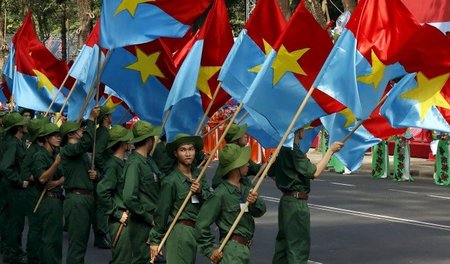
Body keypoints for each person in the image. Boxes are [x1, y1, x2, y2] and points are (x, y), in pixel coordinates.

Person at [270, 127, 343, 264]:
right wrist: (330, 151)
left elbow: (273, 173)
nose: (305, 130)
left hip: (286, 201)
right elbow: (314, 172)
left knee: (283, 246)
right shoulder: (293, 150)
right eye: (303, 128)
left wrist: (288, 181)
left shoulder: (283, 150)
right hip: (296, 203)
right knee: (298, 247)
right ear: (298, 131)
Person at [196, 144, 266, 264]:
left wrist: (254, 201)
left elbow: (260, 211)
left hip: (245, 250)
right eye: (245, 162)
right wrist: (210, 250)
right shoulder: (220, 194)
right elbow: (201, 225)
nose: (248, 164)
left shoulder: (245, 187)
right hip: (231, 252)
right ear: (236, 167)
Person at [150, 133, 212, 264]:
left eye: (191, 149)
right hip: (179, 233)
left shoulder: (198, 175)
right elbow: (162, 212)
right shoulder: (171, 181)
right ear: (175, 153)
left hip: (196, 232)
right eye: (183, 150)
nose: (188, 153)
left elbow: (211, 201)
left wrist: (200, 191)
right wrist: (155, 240)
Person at [60, 107, 99, 264]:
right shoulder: (69, 149)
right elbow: (86, 142)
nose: (82, 130)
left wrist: (96, 175)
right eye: (79, 129)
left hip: (86, 198)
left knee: (81, 242)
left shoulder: (81, 153)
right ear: (70, 135)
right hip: (76, 200)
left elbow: (91, 173)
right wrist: (90, 119)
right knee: (77, 245)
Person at [122, 120, 163, 264]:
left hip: (154, 219)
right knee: (142, 259)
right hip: (142, 223)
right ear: (148, 140)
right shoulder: (134, 163)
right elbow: (129, 198)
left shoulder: (149, 160)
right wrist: (147, 217)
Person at [97, 125, 133, 263]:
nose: (130, 142)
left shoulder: (123, 162)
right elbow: (102, 190)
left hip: (128, 218)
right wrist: (117, 213)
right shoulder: (113, 165)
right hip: (120, 220)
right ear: (122, 143)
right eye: (127, 140)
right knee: (121, 259)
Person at [32, 123, 64, 264]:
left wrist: (57, 182)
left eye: (59, 135)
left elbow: (64, 176)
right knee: (49, 240)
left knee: (57, 240)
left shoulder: (56, 154)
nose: (58, 138)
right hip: (46, 200)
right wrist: (55, 164)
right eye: (54, 136)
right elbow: (42, 178)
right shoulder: (40, 155)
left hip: (57, 199)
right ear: (46, 138)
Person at [0, 112, 29, 264]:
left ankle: (8, 250)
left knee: (7, 220)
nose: (26, 124)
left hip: (8, 186)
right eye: (23, 123)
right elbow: (5, 167)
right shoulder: (13, 143)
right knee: (15, 222)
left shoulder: (15, 141)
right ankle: (13, 253)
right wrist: (19, 181)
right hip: (13, 188)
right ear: (18, 127)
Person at [20, 117, 49, 264]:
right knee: (36, 226)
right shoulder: (32, 150)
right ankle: (32, 256)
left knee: (41, 226)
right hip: (33, 193)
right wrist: (38, 177)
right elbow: (24, 172)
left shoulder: (40, 148)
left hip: (40, 192)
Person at [211, 123, 261, 188]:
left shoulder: (239, 153)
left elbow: (255, 168)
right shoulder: (230, 156)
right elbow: (216, 183)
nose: (246, 136)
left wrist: (269, 163)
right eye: (242, 134)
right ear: (236, 139)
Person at [93, 106, 114, 249]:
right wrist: (106, 168)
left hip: (104, 172)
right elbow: (98, 154)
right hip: (103, 173)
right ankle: (100, 236)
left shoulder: (103, 132)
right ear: (106, 117)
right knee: (101, 206)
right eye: (110, 115)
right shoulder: (104, 133)